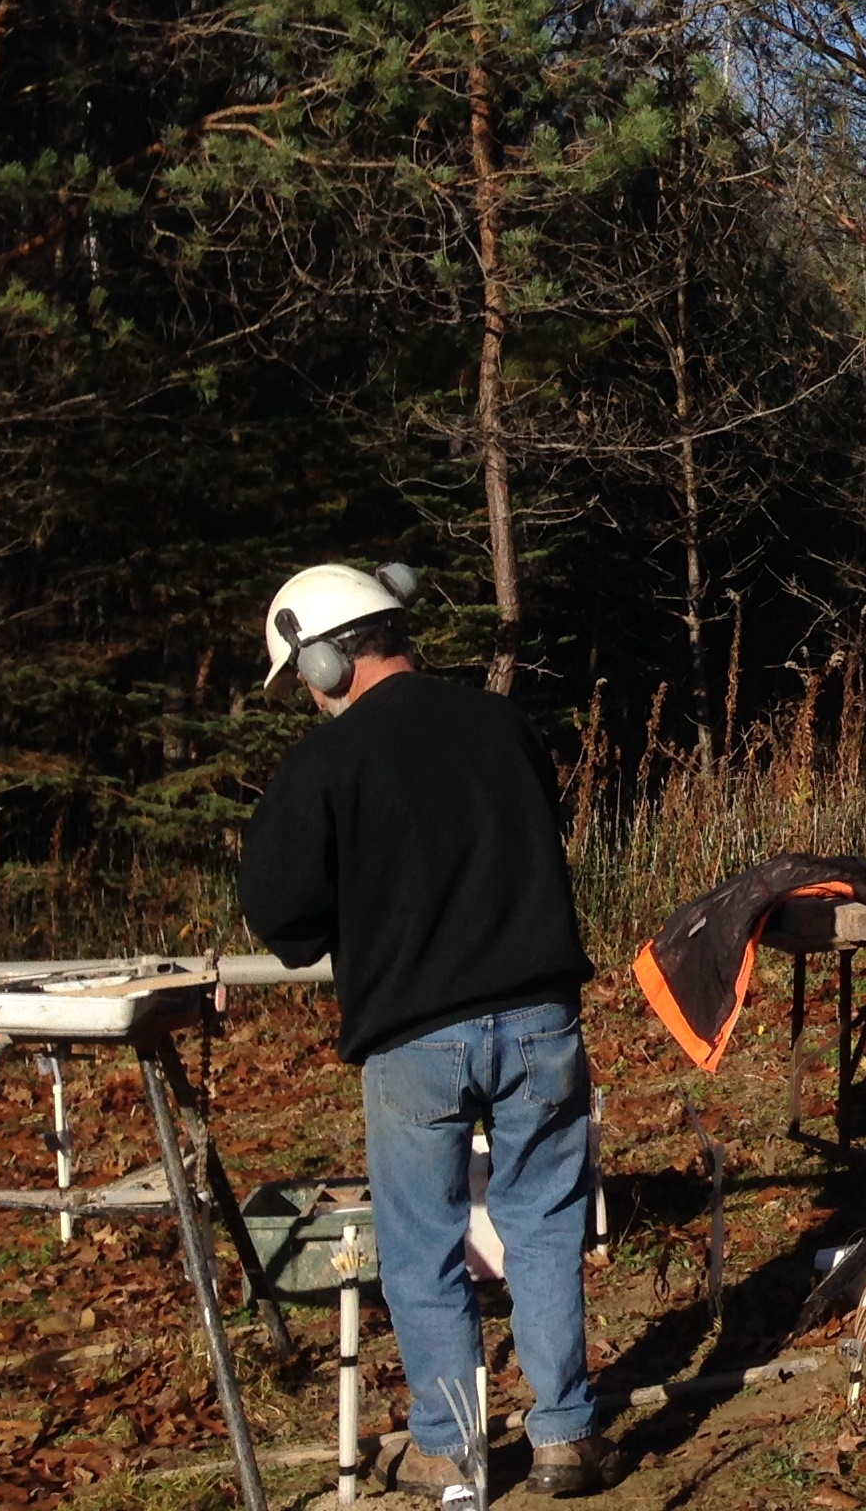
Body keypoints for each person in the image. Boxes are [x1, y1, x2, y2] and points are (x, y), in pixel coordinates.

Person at [237, 564, 622, 1503]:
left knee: (423, 1249)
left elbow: (278, 916)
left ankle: (450, 1449)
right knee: (543, 1228)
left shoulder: (327, 764)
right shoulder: (503, 724)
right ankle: (566, 1435)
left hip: (415, 1042)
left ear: (325, 660)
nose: (312, 702)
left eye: (307, 682)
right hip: (541, 1023)